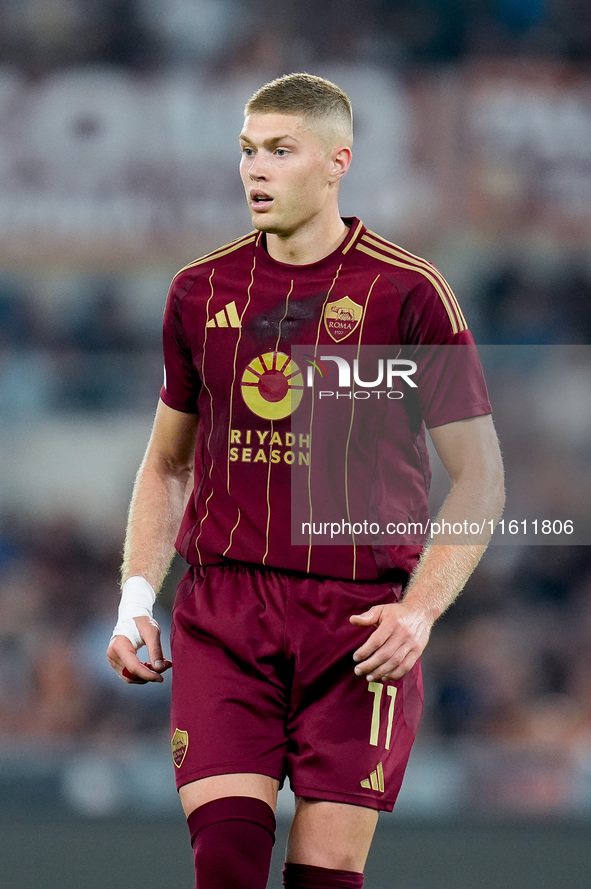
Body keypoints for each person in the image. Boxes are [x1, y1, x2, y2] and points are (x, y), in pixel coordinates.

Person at [107, 73, 505, 889]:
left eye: (280, 152)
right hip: (226, 611)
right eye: (248, 152)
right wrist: (135, 599)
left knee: (323, 872)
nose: (256, 170)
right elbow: (169, 462)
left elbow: (481, 479)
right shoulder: (198, 291)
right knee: (225, 858)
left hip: (357, 627)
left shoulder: (409, 294)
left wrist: (420, 610)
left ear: (336, 163)